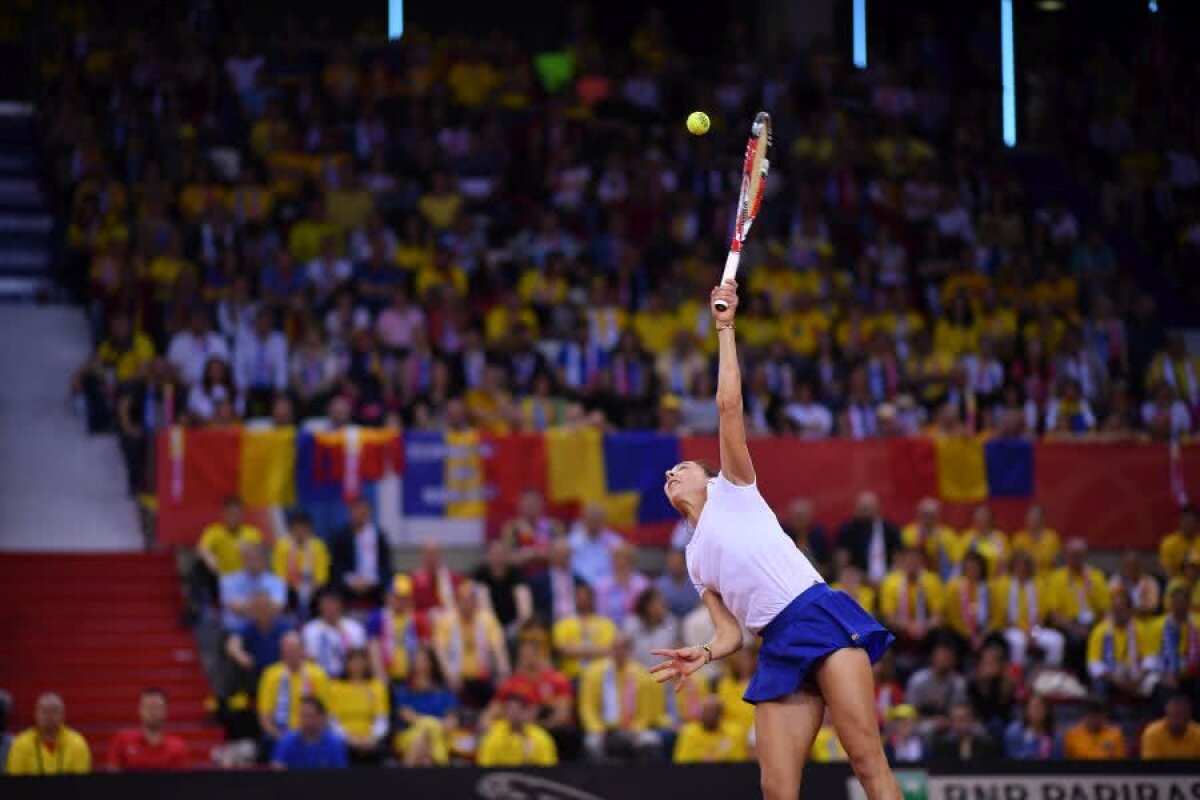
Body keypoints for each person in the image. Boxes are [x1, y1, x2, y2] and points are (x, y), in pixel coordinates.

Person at [651, 280, 899, 800]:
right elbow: (730, 634)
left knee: (866, 759)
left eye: (682, 466)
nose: (671, 473)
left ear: (710, 478)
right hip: (776, 645)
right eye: (669, 471)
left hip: (818, 615)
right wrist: (703, 653)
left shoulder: (735, 491)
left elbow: (728, 407)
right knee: (776, 789)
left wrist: (724, 328)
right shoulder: (694, 558)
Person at [579, 633, 664, 763]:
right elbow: (587, 707)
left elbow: (646, 712)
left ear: (629, 651)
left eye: (623, 648)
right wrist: (597, 729)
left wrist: (636, 729)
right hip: (604, 728)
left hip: (632, 727)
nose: (618, 652)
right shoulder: (593, 673)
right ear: (610, 649)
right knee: (591, 743)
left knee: (651, 741)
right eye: (615, 648)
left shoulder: (642, 675)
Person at [493, 639, 577, 760]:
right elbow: (495, 708)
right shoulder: (512, 683)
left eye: (529, 654)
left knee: (568, 734)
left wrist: (538, 726)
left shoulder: (557, 680)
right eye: (523, 655)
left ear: (538, 655)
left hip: (549, 727)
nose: (525, 659)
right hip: (519, 727)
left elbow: (563, 714)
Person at [432, 581, 510, 707]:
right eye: (464, 600)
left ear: (476, 601)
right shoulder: (446, 620)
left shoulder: (487, 620)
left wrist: (503, 673)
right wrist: (449, 674)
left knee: (500, 688)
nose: (468, 604)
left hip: (483, 677)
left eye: (471, 599)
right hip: (456, 678)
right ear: (457, 601)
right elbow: (440, 651)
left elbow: (498, 649)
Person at [991, 551, 1065, 667]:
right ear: (1012, 566)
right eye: (1018, 565)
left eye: (1025, 565)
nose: (1021, 568)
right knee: (1018, 642)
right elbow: (1001, 614)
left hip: (1034, 628)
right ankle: (1018, 677)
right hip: (1011, 628)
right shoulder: (1001, 585)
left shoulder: (1039, 584)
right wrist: (1023, 630)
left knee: (1057, 640)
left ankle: (1048, 675)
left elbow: (1044, 612)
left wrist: (1032, 631)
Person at [258, 632, 331, 746]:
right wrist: (278, 737)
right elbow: (264, 714)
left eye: (294, 650)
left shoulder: (318, 675)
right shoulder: (270, 674)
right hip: (278, 733)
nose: (290, 655)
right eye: (286, 651)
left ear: (303, 651)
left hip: (311, 733)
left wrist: (311, 736)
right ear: (281, 653)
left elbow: (324, 713)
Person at [192, 495, 263, 610]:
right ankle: (197, 607)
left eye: (237, 513)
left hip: (245, 579)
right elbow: (201, 548)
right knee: (199, 566)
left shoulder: (252, 533)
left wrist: (248, 551)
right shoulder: (214, 531)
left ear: (242, 514)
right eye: (231, 513)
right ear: (224, 514)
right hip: (221, 580)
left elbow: (259, 558)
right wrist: (209, 557)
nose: (234, 517)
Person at [1086, 585, 1156, 701]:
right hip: (1111, 676)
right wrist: (1116, 680)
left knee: (1157, 685)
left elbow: (1151, 659)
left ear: (1130, 611)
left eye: (1121, 610)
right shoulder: (1100, 630)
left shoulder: (1141, 629)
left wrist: (1139, 679)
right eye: (1114, 610)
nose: (1117, 614)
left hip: (1136, 675)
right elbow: (1094, 664)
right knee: (1099, 684)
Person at [392, 647, 458, 766]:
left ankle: (403, 782)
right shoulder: (403, 689)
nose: (418, 663)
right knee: (422, 739)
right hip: (409, 734)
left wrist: (434, 727)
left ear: (431, 663)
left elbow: (451, 721)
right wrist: (432, 725)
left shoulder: (444, 691)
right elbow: (408, 716)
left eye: (422, 659)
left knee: (425, 745)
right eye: (416, 659)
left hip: (438, 736)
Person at [879, 544, 945, 656]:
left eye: (916, 561)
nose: (912, 564)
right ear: (902, 562)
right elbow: (889, 616)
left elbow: (938, 616)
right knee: (884, 630)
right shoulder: (890, 581)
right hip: (900, 629)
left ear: (922, 563)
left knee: (943, 634)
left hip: (927, 629)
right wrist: (909, 627)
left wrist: (924, 626)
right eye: (909, 561)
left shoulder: (932, 581)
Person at [327, 648, 389, 765]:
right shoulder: (335, 688)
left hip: (371, 740)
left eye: (361, 662)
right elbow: (332, 721)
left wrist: (372, 738)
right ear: (347, 664)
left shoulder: (377, 687)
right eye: (354, 662)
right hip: (344, 740)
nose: (357, 666)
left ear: (366, 664)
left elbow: (381, 719)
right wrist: (349, 739)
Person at [5, 693, 91, 775]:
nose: (49, 716)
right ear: (35, 714)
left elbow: (81, 783)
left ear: (63, 715)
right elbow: (14, 783)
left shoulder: (77, 743)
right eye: (44, 711)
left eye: (54, 711)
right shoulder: (21, 743)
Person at [330, 496, 393, 606]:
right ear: (350, 512)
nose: (359, 513)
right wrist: (353, 580)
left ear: (369, 512)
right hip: (348, 585)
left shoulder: (379, 536)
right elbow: (336, 565)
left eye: (363, 509)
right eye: (356, 509)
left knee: (388, 590)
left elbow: (386, 566)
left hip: (374, 585)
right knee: (333, 589)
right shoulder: (340, 536)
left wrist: (370, 581)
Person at [225, 590, 294, 689]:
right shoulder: (248, 626)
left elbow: (293, 641)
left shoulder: (283, 625)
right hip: (256, 673)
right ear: (252, 610)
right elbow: (232, 644)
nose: (261, 611)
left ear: (271, 607)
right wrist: (240, 655)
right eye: (257, 608)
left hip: (280, 671)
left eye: (264, 607)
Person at [107, 688, 189, 771]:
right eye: (148, 707)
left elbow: (181, 782)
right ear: (139, 709)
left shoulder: (178, 747)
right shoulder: (122, 740)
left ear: (166, 710)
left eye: (157, 707)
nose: (152, 712)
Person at [366, 574, 427, 686]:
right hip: (386, 675)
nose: (400, 601)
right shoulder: (378, 617)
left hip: (410, 677)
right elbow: (373, 647)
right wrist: (380, 673)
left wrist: (419, 674)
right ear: (387, 596)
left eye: (404, 597)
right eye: (396, 596)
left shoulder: (416, 619)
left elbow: (421, 650)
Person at [1148, 581, 1200, 705]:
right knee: (1160, 688)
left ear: (1188, 604)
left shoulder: (1197, 624)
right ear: (1171, 603)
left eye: (1182, 603)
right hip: (1165, 672)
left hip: (1193, 672)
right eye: (1176, 602)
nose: (1179, 606)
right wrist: (1165, 675)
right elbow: (1151, 657)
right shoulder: (1157, 626)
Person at [905, 639, 968, 739]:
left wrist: (947, 721)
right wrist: (933, 722)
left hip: (950, 723)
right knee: (924, 729)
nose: (944, 660)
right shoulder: (918, 681)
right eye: (941, 656)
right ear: (933, 657)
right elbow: (910, 712)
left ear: (954, 659)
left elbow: (960, 712)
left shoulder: (958, 683)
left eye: (948, 657)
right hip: (922, 722)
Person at [552, 583, 618, 680]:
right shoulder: (563, 623)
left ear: (592, 599)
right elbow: (564, 651)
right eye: (579, 596)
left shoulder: (606, 624)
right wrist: (595, 649)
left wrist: (576, 648)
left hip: (599, 677)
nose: (583, 600)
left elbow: (608, 650)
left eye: (586, 596)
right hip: (571, 677)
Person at [477, 691, 558, 767]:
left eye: (515, 710)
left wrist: (528, 760)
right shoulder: (494, 733)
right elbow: (485, 764)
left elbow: (548, 768)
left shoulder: (540, 737)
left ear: (525, 711)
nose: (511, 713)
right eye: (508, 709)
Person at [835, 491, 901, 585]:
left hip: (888, 581)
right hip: (858, 582)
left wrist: (890, 577)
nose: (866, 513)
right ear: (856, 510)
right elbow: (842, 563)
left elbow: (898, 559)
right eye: (863, 509)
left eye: (869, 509)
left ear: (878, 509)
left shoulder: (890, 530)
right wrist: (861, 577)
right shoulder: (847, 531)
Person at [271, 510, 330, 615]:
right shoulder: (282, 546)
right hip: (290, 589)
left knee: (324, 592)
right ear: (291, 529)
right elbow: (279, 574)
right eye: (296, 527)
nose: (300, 531)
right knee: (280, 591)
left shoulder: (318, 546)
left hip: (313, 589)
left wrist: (311, 588)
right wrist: (297, 588)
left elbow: (321, 575)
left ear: (309, 528)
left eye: (303, 527)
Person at [302, 588, 367, 678]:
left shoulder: (354, 628)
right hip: (319, 677)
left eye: (333, 603)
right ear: (319, 605)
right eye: (326, 603)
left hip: (346, 679)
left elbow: (359, 659)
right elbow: (309, 659)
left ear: (340, 605)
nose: (330, 607)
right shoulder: (310, 630)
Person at [472, 540, 533, 634]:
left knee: (519, 632)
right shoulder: (479, 575)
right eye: (495, 554)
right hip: (488, 624)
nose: (498, 558)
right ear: (488, 556)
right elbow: (483, 606)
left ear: (507, 556)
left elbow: (525, 607)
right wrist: (492, 627)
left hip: (514, 624)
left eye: (501, 554)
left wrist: (522, 624)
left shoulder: (517, 573)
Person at [220, 543, 287, 629]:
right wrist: (264, 607)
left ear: (265, 560)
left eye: (256, 558)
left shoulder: (278, 581)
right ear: (242, 559)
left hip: (268, 631)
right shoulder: (228, 581)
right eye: (248, 558)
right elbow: (235, 608)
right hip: (235, 629)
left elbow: (278, 608)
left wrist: (248, 607)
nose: (252, 562)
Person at [271, 697, 348, 769]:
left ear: (322, 717)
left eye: (310, 716)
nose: (305, 721)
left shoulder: (335, 743)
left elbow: (340, 777)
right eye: (302, 716)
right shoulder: (287, 741)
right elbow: (277, 770)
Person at [499, 488, 563, 574]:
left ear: (541, 504)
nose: (530, 506)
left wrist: (534, 554)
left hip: (548, 577)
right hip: (520, 577)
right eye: (527, 503)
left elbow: (562, 557)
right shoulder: (511, 528)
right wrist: (527, 555)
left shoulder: (554, 526)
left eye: (534, 503)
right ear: (520, 505)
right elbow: (507, 558)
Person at [673, 695, 748, 763]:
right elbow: (682, 761)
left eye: (713, 711)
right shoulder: (689, 732)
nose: (709, 715)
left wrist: (715, 758)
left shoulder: (734, 732)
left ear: (721, 713)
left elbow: (738, 760)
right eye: (706, 711)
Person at [901, 497, 960, 581]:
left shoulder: (949, 535)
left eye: (931, 515)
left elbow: (956, 564)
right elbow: (902, 560)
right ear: (918, 515)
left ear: (938, 516)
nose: (927, 519)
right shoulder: (908, 533)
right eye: (925, 514)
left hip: (942, 580)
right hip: (913, 581)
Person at [967, 645, 1017, 742]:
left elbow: (1006, 713)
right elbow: (976, 710)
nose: (988, 667)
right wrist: (986, 684)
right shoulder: (973, 684)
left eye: (992, 663)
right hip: (979, 722)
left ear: (1000, 666)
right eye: (985, 663)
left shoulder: (1009, 685)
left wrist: (992, 685)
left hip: (1003, 723)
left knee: (998, 725)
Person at [568, 503, 624, 587]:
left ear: (603, 521)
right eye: (591, 520)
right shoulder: (572, 541)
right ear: (584, 520)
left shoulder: (614, 541)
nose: (594, 524)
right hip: (579, 588)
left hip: (606, 589)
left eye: (597, 520)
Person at [593, 542, 650, 626]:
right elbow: (600, 614)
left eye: (622, 557)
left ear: (631, 560)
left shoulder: (643, 584)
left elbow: (645, 612)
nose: (618, 561)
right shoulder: (602, 585)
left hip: (636, 629)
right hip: (607, 629)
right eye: (615, 557)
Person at [624, 587, 680, 668]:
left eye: (663, 604)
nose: (664, 607)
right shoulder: (632, 623)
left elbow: (676, 650)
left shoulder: (671, 623)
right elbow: (624, 650)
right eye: (659, 604)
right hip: (636, 674)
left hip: (663, 673)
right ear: (647, 606)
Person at [931, 703, 998, 762]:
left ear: (972, 721)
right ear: (951, 723)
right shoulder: (942, 745)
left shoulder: (986, 744)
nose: (960, 724)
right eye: (956, 720)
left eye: (963, 720)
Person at [1062, 699, 1127, 760]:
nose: (1095, 720)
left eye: (1098, 715)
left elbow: (1121, 764)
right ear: (1085, 715)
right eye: (1092, 715)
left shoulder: (1116, 735)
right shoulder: (1072, 735)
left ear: (1104, 715)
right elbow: (1067, 764)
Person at [410, 539, 462, 614]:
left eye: (435, 553)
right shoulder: (414, 579)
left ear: (440, 555)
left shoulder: (453, 578)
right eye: (428, 554)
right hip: (423, 621)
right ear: (423, 556)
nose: (431, 557)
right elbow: (411, 607)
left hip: (447, 620)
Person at [1141, 694, 1200, 759]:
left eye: (1180, 716)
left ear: (1188, 717)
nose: (1176, 720)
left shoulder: (1198, 733)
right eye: (1172, 716)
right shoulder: (1152, 733)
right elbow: (1150, 766)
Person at [1004, 694, 1061, 760]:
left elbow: (1058, 762)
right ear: (1026, 710)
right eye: (1034, 707)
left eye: (1041, 707)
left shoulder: (1055, 734)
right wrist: (1030, 742)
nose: (1037, 711)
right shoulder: (1014, 732)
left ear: (1047, 710)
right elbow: (1013, 759)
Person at [783, 499, 830, 574]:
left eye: (802, 516)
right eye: (797, 516)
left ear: (810, 517)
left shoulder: (819, 535)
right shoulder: (784, 535)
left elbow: (825, 563)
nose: (799, 519)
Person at [1109, 549, 1161, 618]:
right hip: (1120, 622)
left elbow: (1152, 607)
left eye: (1134, 565)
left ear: (1140, 566)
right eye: (1128, 565)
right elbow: (1110, 606)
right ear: (1123, 566)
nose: (1131, 568)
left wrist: (1130, 611)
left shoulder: (1150, 582)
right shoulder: (1115, 581)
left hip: (1144, 621)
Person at [1011, 504, 1061, 575]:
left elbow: (1058, 565)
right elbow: (1014, 564)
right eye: (1030, 517)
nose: (1032, 520)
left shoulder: (1052, 538)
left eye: (1036, 517)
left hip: (1047, 580)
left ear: (1043, 519)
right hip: (1025, 579)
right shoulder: (1019, 538)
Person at [655, 548, 700, 619]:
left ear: (685, 564)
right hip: (667, 622)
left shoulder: (695, 582)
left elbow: (699, 606)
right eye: (671, 562)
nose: (673, 565)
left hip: (691, 621)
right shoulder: (660, 585)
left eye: (677, 562)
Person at [1161, 505, 1200, 579]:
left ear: (1197, 523)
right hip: (1178, 585)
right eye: (1184, 522)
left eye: (1189, 522)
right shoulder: (1169, 543)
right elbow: (1168, 574)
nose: (1186, 525)